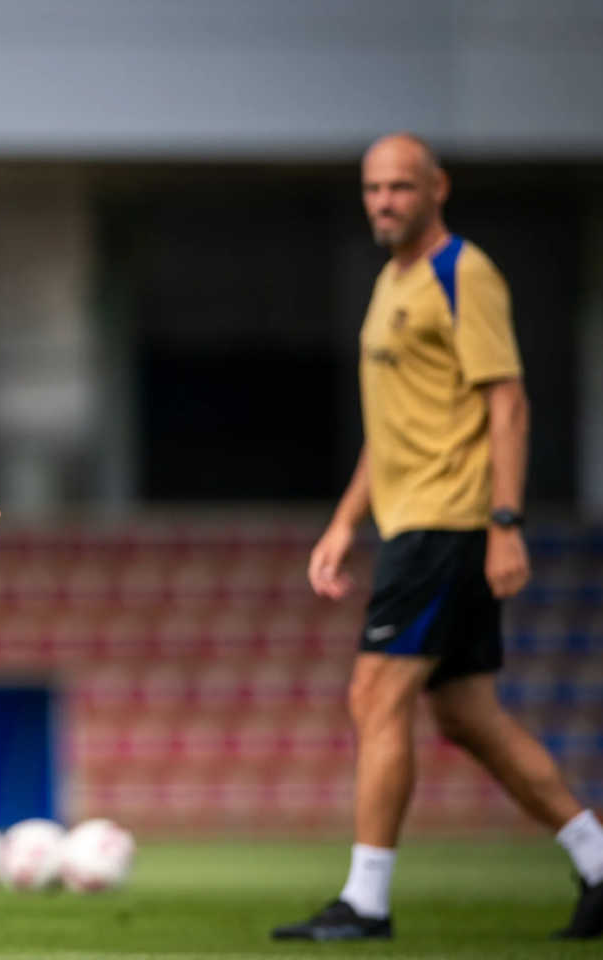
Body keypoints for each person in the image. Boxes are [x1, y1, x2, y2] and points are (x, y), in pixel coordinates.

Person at [272, 134, 602, 942]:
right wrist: (346, 522)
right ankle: (598, 860)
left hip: (450, 523)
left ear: (437, 188)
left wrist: (506, 522)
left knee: (375, 694)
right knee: (465, 715)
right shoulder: (391, 282)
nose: (384, 201)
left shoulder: (466, 273)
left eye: (400, 187)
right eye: (373, 188)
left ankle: (367, 902)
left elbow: (509, 404)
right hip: (410, 522)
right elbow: (393, 432)